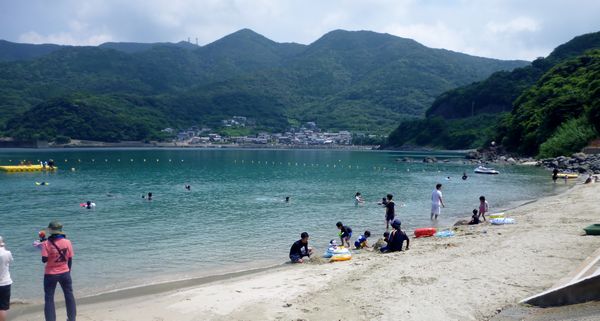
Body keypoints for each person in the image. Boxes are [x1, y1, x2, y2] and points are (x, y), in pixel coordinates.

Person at [41, 221, 76, 321]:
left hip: (50, 274)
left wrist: (44, 246)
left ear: (50, 230)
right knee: (69, 295)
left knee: (49, 298)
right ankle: (72, 319)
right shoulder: (67, 242)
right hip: (65, 272)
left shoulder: (46, 243)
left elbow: (44, 260)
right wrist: (68, 272)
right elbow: (70, 258)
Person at [0, 236, 13, 321]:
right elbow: (10, 261)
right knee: (2, 307)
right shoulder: (7, 253)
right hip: (5, 282)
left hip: (4, 282)